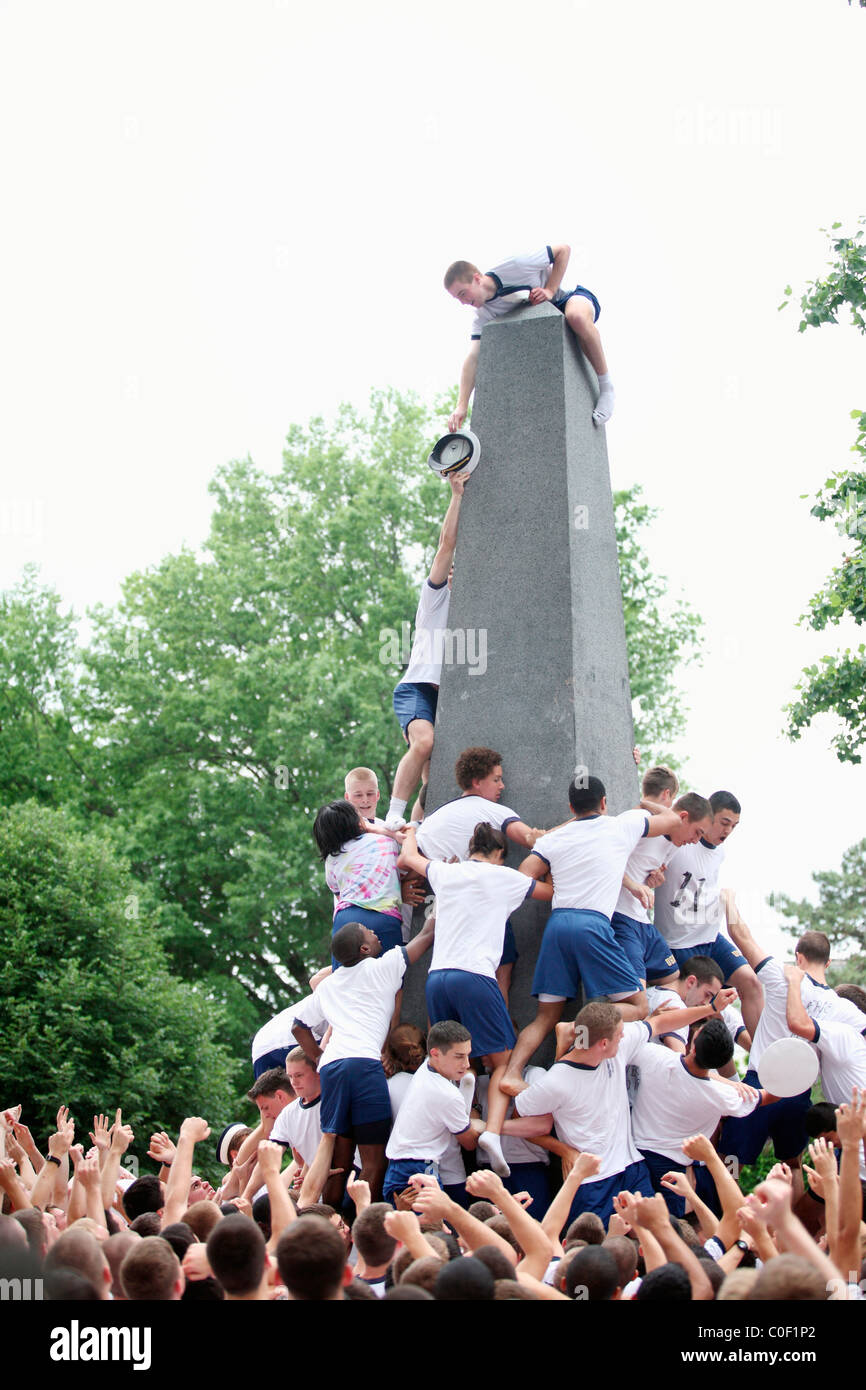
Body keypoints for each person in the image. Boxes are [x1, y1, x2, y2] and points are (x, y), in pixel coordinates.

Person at [499, 773, 685, 1095]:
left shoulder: (554, 839)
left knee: (545, 1016)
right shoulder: (621, 826)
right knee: (639, 1007)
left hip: (557, 925)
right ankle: (573, 1029)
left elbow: (522, 878)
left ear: (571, 807)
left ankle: (512, 1073)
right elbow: (669, 819)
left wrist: (555, 889)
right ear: (603, 803)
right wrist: (643, 801)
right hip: (593, 925)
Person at [503, 998, 729, 1224]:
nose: (624, 1036)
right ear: (602, 1043)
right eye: (619, 1034)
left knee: (659, 1232)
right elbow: (519, 1119)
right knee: (595, 1251)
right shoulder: (556, 1081)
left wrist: (710, 1008)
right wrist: (563, 1150)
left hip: (632, 1166)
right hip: (593, 1180)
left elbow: (659, 1023)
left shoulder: (617, 1045)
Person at [292, 917, 435, 1202]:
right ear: (365, 950)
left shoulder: (330, 986)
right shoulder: (383, 967)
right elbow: (426, 935)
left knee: (338, 1159)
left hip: (333, 1068)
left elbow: (298, 1026)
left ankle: (329, 1223)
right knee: (374, 1160)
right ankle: (360, 1224)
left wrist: (319, 1057)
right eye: (369, 934)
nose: (375, 933)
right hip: (364, 1066)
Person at [720, 897, 865, 1173]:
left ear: (798, 957)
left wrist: (727, 899)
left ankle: (724, 1213)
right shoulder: (842, 1007)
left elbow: (740, 934)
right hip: (799, 1093)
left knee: (731, 1161)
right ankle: (791, 1216)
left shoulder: (781, 976)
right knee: (793, 1164)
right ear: (829, 962)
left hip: (760, 1086)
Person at [444, 245, 614, 427]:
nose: (463, 302)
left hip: (569, 297)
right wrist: (461, 405)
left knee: (577, 317)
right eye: (457, 299)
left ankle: (606, 387)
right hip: (545, 324)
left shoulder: (515, 264)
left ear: (477, 279)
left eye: (463, 294)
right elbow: (473, 358)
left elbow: (563, 250)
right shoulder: (482, 314)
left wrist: (549, 289)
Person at [386, 472, 468, 828]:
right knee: (423, 743)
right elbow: (445, 546)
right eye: (453, 570)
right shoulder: (436, 598)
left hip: (448, 699)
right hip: (418, 687)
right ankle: (392, 815)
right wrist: (457, 496)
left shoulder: (477, 612)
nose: (455, 574)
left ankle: (417, 829)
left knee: (437, 780)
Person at [629, 1015, 774, 1215]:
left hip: (633, 1157)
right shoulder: (722, 1095)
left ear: (693, 1043)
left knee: (629, 1221)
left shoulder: (655, 1056)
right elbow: (768, 1097)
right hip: (671, 1170)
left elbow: (627, 1042)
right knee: (669, 1232)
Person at [651, 790, 764, 1039]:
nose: (728, 831)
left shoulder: (719, 853)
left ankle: (763, 1063)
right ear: (708, 816)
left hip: (711, 937)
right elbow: (655, 805)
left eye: (734, 826)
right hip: (679, 943)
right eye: (724, 823)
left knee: (751, 981)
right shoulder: (680, 841)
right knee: (700, 1018)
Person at [612, 777, 714, 990]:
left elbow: (649, 875)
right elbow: (605, 860)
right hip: (620, 915)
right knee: (636, 991)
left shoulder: (676, 844)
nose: (696, 840)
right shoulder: (642, 822)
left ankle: (650, 1019)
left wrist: (653, 880)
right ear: (683, 817)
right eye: (697, 832)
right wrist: (633, 885)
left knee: (673, 977)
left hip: (643, 920)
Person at [383, 1021, 481, 1203]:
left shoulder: (427, 1066)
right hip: (418, 1169)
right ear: (435, 1053)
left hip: (402, 1167)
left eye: (468, 1055)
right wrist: (483, 1123)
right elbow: (470, 1143)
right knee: (434, 1230)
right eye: (459, 1057)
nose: (466, 1064)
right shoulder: (447, 1094)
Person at [413, 746, 544, 862]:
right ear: (476, 782)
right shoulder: (492, 811)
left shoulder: (435, 816)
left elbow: (408, 859)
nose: (502, 786)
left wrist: (405, 886)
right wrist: (565, 828)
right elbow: (535, 840)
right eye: (496, 780)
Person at [313, 799, 404, 957]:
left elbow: (338, 893)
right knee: (389, 977)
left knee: (347, 979)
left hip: (345, 922)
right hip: (382, 917)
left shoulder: (332, 858)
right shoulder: (386, 841)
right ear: (358, 822)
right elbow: (403, 843)